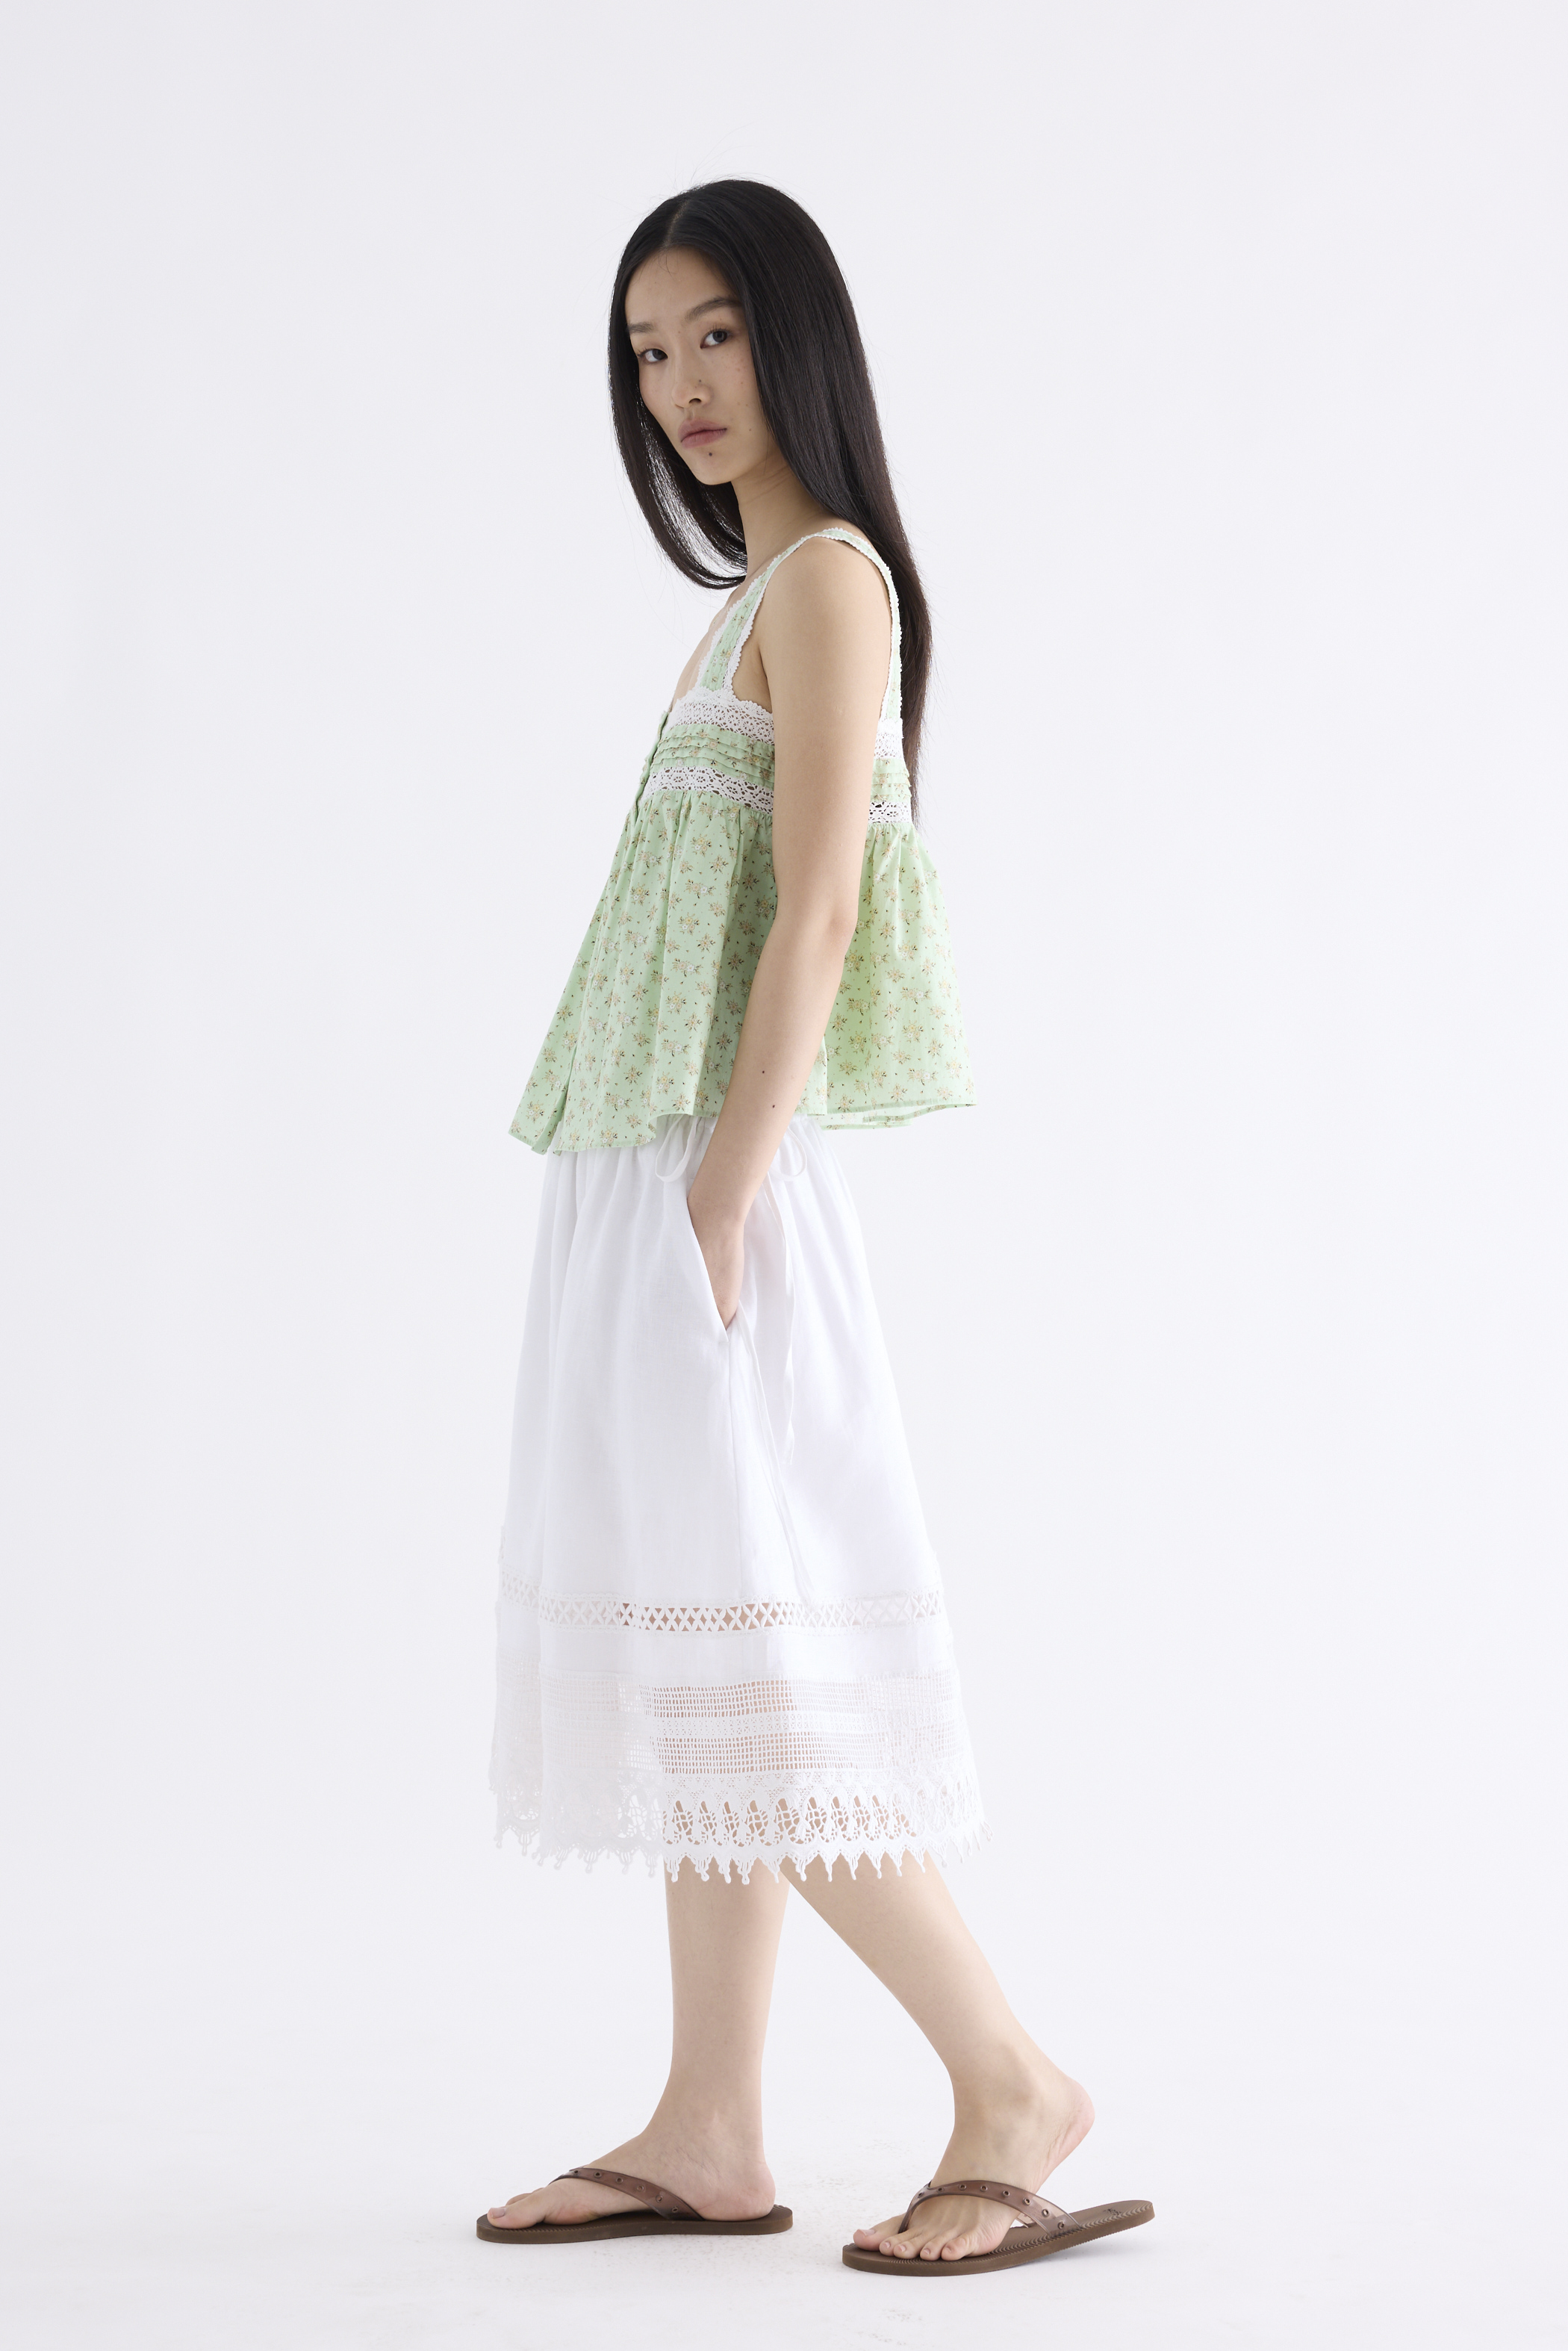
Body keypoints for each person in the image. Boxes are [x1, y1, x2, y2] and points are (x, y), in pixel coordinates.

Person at [479, 181, 1149, 2277]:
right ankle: (710, 2122)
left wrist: (721, 1187)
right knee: (706, 1653)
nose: (679, 383)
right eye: (645, 348)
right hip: (661, 1167)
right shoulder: (743, 596)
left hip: (722, 1180)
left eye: (712, 334)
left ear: (795, 339)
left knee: (759, 1657)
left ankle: (1009, 2079)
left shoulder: (831, 578)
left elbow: (826, 905)